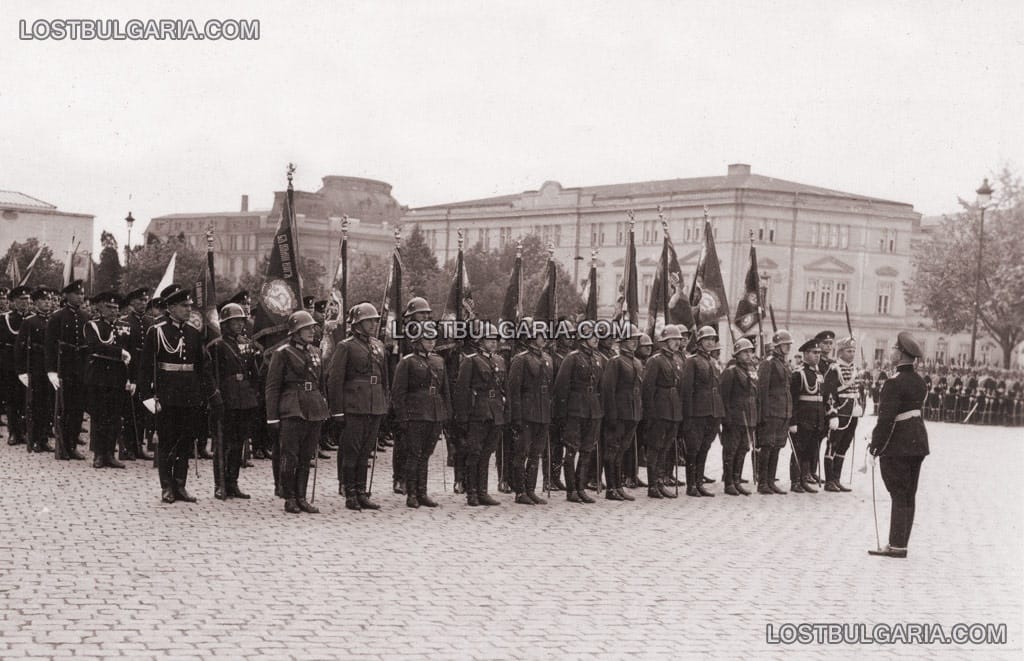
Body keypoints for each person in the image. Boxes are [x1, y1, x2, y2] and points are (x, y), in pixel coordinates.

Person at [138, 285, 219, 504]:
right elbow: (146, 367)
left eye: (190, 306)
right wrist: (147, 396)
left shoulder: (193, 333)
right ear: (171, 307)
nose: (188, 309)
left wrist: (207, 395)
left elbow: (202, 368)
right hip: (166, 395)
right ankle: (166, 486)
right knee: (167, 441)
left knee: (186, 441)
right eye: (184, 306)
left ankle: (180, 484)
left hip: (189, 396)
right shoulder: (157, 331)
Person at [868, 332, 929, 558]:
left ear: (901, 353)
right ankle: (901, 543)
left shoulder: (893, 383)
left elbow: (886, 419)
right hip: (917, 442)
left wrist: (875, 446)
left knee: (898, 493)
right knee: (909, 494)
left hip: (898, 444)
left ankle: (895, 545)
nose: (891, 352)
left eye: (894, 348)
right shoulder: (919, 381)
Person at [265, 311, 330, 513]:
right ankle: (289, 496)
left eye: (312, 327)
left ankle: (301, 496)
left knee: (306, 455)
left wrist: (323, 405)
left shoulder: (315, 352)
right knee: (290, 455)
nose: (312, 331)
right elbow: (273, 387)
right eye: (307, 328)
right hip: (292, 406)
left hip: (313, 406)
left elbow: (321, 383)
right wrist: (272, 417)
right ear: (295, 331)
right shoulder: (283, 353)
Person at [327, 302, 389, 511]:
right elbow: (335, 380)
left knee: (366, 451)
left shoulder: (378, 345)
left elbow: (384, 378)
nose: (372, 323)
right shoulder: (346, 346)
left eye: (373, 320)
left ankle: (362, 491)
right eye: (367, 321)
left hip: (374, 404)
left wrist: (384, 402)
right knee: (351, 450)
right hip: (354, 405)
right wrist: (337, 410)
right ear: (357, 324)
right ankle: (350, 491)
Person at [391, 325, 450, 508]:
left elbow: (445, 390)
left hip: (434, 413)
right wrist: (401, 417)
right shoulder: (407, 362)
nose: (431, 343)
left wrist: (446, 413)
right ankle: (412, 494)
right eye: (427, 340)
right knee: (414, 454)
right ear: (417, 342)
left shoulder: (439, 361)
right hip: (415, 413)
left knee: (426, 454)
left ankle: (422, 492)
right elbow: (398, 392)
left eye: (433, 340)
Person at [208, 303, 261, 500]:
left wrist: (254, 392)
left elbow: (253, 372)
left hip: (244, 399)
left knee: (238, 443)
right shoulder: (217, 346)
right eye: (234, 321)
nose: (239, 324)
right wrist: (215, 396)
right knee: (223, 444)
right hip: (226, 398)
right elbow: (212, 375)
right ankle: (220, 484)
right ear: (225, 324)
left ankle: (233, 482)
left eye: (241, 321)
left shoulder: (246, 345)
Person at [553, 319, 605, 503]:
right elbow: (561, 387)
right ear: (583, 338)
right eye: (592, 335)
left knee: (587, 449)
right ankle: (571, 489)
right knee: (571, 449)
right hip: (575, 409)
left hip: (593, 409)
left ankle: (581, 486)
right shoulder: (572, 358)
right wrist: (562, 413)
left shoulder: (598, 359)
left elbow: (601, 387)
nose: (596, 338)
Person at [83, 292, 132, 469]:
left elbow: (130, 349)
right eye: (109, 308)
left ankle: (110, 453)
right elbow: (94, 346)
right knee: (99, 416)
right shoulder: (92, 326)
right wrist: (119, 353)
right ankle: (98, 454)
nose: (113, 311)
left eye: (116, 308)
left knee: (115, 417)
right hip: (98, 377)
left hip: (117, 377)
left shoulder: (124, 326)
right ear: (100, 308)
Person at [507, 319, 554, 505]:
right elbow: (514, 390)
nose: (544, 339)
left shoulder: (548, 359)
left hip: (543, 412)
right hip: (527, 411)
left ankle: (531, 489)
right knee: (522, 452)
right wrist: (516, 417)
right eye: (540, 335)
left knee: (536, 452)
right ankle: (520, 491)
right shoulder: (521, 359)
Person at [45, 280, 90, 460]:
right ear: (67, 296)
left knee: (78, 409)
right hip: (64, 368)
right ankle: (63, 445)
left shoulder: (86, 317)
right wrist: (51, 371)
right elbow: (49, 347)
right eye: (77, 294)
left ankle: (72, 445)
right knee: (64, 409)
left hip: (81, 368)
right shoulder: (57, 317)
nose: (81, 296)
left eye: (82, 294)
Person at [600, 323, 644, 501]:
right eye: (630, 339)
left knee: (622, 451)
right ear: (622, 342)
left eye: (635, 339)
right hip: (619, 412)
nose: (633, 342)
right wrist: (611, 415)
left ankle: (618, 486)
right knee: (612, 450)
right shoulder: (615, 361)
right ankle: (611, 488)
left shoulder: (636, 362)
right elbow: (608, 390)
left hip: (632, 413)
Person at [679, 325, 725, 497]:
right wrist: (688, 416)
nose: (710, 342)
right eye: (707, 339)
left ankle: (699, 482)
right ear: (699, 342)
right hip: (697, 412)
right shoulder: (692, 361)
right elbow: (686, 390)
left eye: (713, 339)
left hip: (712, 412)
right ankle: (691, 485)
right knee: (693, 448)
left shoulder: (712, 362)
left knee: (705, 447)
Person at [640, 324, 684, 499]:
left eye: (678, 340)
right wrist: (650, 414)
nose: (677, 343)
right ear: (664, 341)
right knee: (655, 448)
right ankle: (652, 485)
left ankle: (660, 482)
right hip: (659, 410)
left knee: (665, 448)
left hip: (673, 409)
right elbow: (648, 389)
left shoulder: (675, 360)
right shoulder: (655, 360)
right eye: (673, 340)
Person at [15, 287, 55, 453]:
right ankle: (36, 438)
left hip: (51, 369)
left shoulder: (54, 320)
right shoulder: (30, 322)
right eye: (44, 300)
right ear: (36, 302)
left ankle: (45, 438)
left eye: (49, 300)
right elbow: (19, 348)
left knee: (49, 405)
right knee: (37, 405)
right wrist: (22, 371)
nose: (47, 303)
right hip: (36, 369)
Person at [822, 336, 863, 492]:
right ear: (840, 352)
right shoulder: (834, 369)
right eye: (848, 351)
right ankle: (829, 481)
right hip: (839, 412)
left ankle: (837, 479)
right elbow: (829, 393)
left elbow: (858, 391)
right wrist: (832, 414)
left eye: (853, 351)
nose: (852, 354)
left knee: (844, 446)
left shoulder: (854, 369)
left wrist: (860, 405)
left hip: (852, 412)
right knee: (833, 445)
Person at [118, 287, 154, 461]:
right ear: (132, 302)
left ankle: (139, 444)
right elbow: (122, 349)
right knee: (128, 410)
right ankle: (127, 447)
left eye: (145, 300)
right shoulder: (124, 322)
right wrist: (125, 376)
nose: (143, 303)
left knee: (142, 411)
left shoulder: (151, 322)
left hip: (145, 369)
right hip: (130, 368)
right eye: (140, 300)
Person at [719, 338, 757, 496]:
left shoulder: (751, 370)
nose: (748, 355)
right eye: (744, 352)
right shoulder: (731, 372)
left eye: (750, 352)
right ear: (737, 354)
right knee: (731, 450)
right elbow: (724, 396)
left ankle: (737, 480)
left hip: (748, 417)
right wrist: (725, 418)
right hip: (734, 417)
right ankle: (728, 483)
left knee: (743, 449)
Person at [756, 330, 792, 494]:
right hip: (771, 411)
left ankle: (771, 480)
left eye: (788, 344)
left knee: (777, 446)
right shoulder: (768, 363)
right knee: (767, 447)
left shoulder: (783, 363)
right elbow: (762, 390)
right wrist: (762, 414)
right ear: (777, 346)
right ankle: (762, 482)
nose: (788, 347)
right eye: (785, 345)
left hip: (782, 411)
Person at [790, 338, 825, 493]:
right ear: (805, 354)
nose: (817, 356)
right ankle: (795, 481)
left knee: (810, 450)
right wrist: (793, 421)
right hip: (803, 419)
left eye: (818, 353)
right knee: (799, 449)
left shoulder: (818, 374)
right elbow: (793, 399)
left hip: (815, 419)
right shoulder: (799, 374)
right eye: (813, 353)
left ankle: (804, 478)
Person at [1, 286, 32, 446]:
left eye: (27, 299)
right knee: (12, 399)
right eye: (21, 299)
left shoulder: (33, 319)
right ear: (13, 302)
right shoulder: (4, 319)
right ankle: (13, 432)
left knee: (26, 398)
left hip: (28, 364)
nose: (25, 303)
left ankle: (24, 431)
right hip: (9, 365)